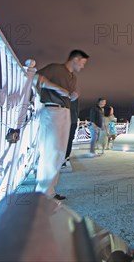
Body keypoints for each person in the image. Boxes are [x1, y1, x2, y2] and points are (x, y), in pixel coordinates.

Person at [35, 49, 88, 201]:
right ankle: (42, 192)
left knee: (58, 153)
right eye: (83, 63)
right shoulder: (55, 68)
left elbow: (67, 95)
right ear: (76, 59)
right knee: (50, 151)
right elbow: (34, 78)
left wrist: (73, 96)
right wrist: (57, 88)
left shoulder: (73, 77)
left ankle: (49, 191)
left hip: (65, 112)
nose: (83, 67)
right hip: (52, 110)